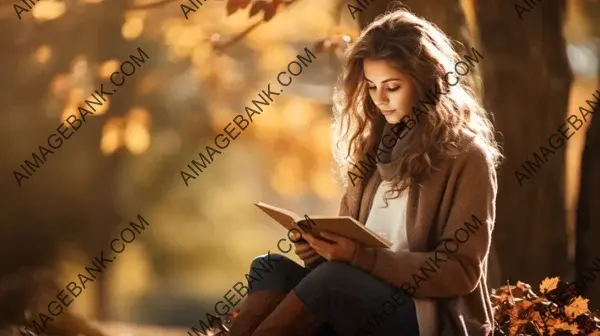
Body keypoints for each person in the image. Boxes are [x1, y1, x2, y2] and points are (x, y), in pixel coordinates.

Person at [227, 4, 502, 336]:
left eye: (392, 86)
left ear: (426, 82)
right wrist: (318, 251)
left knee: (333, 281)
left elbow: (461, 271)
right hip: (358, 298)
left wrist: (358, 257)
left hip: (427, 318)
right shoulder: (372, 152)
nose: (380, 99)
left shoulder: (467, 156)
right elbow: (347, 261)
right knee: (268, 267)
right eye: (371, 87)